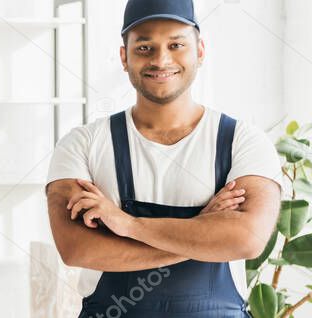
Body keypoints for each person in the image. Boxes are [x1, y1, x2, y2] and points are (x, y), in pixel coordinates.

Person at [46, 0, 282, 317]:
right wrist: (203, 232)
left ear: (199, 51)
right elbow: (77, 249)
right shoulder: (83, 144)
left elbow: (247, 239)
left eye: (176, 44)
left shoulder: (244, 141)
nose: (161, 59)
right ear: (123, 57)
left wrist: (126, 225)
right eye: (144, 47)